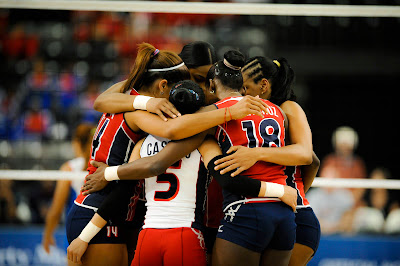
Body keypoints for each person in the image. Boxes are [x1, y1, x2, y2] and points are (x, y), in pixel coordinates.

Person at [66, 43, 269, 265]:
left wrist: (111, 173)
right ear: (165, 84)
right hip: (109, 208)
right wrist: (228, 111)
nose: (202, 89)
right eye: (197, 79)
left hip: (133, 216)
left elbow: (103, 102)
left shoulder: (135, 104)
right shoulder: (144, 113)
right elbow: (168, 139)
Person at [214, 56, 320, 265]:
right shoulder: (258, 111)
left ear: (263, 85)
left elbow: (309, 157)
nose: (241, 93)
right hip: (277, 208)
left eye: (245, 87)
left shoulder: (287, 107)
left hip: (294, 213)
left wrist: (257, 153)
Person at [42, 123, 95, 254]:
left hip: (78, 229)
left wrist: (47, 234)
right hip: (102, 227)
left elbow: (56, 208)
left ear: (76, 143)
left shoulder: (69, 168)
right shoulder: (105, 165)